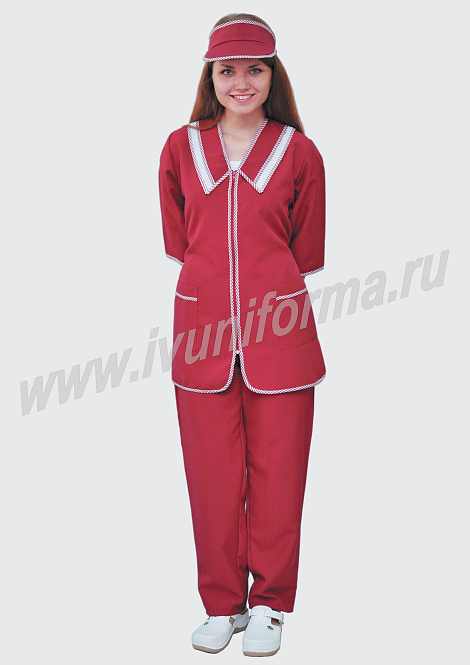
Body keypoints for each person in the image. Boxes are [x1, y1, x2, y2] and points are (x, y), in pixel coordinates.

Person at [158, 12, 326, 657]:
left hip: (282, 334)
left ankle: (271, 606)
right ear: (211, 76)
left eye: (255, 69)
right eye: (228, 70)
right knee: (211, 478)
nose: (242, 82)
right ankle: (222, 605)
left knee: (280, 475)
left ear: (273, 75)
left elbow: (306, 247)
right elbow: (180, 239)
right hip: (201, 333)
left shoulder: (299, 152)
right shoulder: (179, 149)